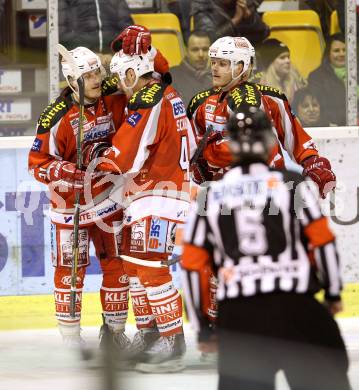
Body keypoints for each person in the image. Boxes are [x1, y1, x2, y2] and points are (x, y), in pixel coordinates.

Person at [181, 106, 352, 390]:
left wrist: (202, 328)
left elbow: (191, 264)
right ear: (271, 141)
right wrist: (332, 292)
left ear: (231, 144)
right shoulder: (293, 184)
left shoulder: (210, 196)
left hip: (240, 316)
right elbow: (323, 241)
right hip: (295, 304)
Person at [83, 49, 197, 373]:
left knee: (148, 267)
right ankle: (149, 335)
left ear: (133, 73)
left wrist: (98, 158)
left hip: (160, 193)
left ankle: (171, 342)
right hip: (148, 193)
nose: (121, 87)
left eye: (122, 78)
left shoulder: (149, 98)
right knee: (133, 267)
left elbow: (125, 158)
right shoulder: (165, 91)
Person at [28, 47, 131, 350]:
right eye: (87, 75)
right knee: (70, 271)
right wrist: (69, 171)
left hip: (108, 198)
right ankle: (71, 340)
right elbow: (37, 163)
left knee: (116, 265)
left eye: (98, 71)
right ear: (73, 80)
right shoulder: (55, 116)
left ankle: (114, 334)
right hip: (68, 205)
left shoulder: (114, 96)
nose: (96, 79)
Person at [188, 36, 336, 200]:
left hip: (267, 189)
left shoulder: (272, 99)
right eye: (213, 62)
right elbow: (190, 151)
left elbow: (295, 139)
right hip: (219, 194)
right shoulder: (199, 104)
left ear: (240, 67)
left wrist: (312, 162)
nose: (214, 68)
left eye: (222, 63)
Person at [308, 33, 352, 126]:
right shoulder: (316, 77)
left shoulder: (355, 72)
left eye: (345, 50)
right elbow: (319, 108)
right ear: (328, 53)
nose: (341, 54)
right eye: (336, 51)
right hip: (332, 127)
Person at [59, 0, 133, 54]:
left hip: (113, 56)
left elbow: (127, 29)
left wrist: (115, 50)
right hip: (79, 57)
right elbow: (60, 34)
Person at [191, 0, 269, 46]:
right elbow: (206, 41)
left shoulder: (241, 3)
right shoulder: (203, 4)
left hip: (243, 59)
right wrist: (235, 20)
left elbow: (264, 33)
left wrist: (249, 18)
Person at [256, 38, 306, 104]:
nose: (288, 61)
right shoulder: (260, 87)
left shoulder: (297, 82)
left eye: (288, 57)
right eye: (282, 58)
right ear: (271, 62)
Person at [170, 30, 212, 106]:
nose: (201, 54)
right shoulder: (171, 77)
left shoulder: (217, 76)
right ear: (186, 51)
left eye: (205, 49)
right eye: (195, 50)